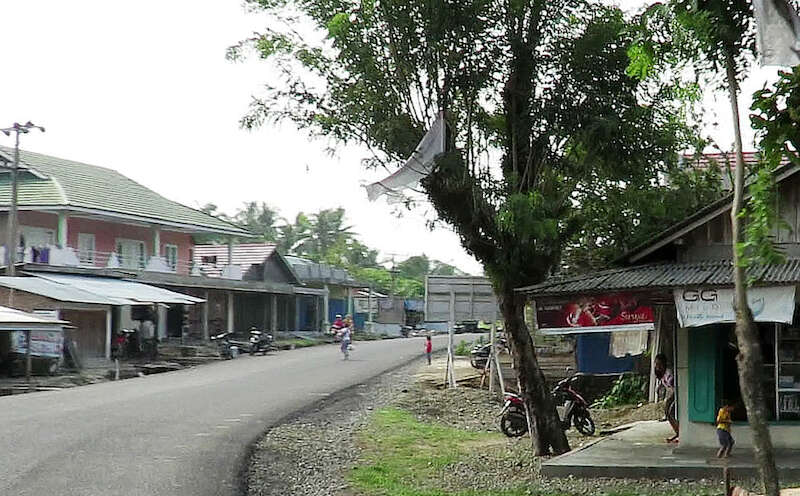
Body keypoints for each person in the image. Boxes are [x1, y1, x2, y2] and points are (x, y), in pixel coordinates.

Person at [655, 353, 679, 443]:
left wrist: (669, 398)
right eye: (656, 364)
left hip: (676, 392)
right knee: (667, 412)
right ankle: (677, 431)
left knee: (671, 412)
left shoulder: (669, 372)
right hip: (672, 393)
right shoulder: (661, 374)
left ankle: (679, 432)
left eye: (659, 364)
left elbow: (673, 386)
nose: (658, 366)